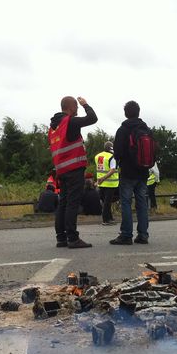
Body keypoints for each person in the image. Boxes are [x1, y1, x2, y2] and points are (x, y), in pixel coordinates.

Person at [49, 96, 97, 248]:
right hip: (74, 169)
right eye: (76, 106)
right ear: (71, 107)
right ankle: (73, 238)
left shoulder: (53, 127)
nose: (77, 109)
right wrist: (86, 105)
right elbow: (93, 118)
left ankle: (61, 238)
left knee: (63, 203)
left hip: (61, 170)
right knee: (72, 203)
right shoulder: (70, 121)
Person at [110, 100, 150, 245]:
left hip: (128, 172)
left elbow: (118, 152)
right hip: (143, 172)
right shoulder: (146, 129)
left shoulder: (123, 130)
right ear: (138, 112)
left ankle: (126, 235)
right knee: (142, 203)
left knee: (126, 203)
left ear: (126, 113)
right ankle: (143, 234)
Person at [94, 141, 119, 225]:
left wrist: (99, 180)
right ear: (111, 148)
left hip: (101, 183)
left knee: (105, 201)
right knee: (107, 202)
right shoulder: (112, 157)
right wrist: (104, 178)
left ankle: (110, 218)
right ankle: (106, 220)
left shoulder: (98, 156)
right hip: (110, 183)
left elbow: (100, 169)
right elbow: (112, 170)